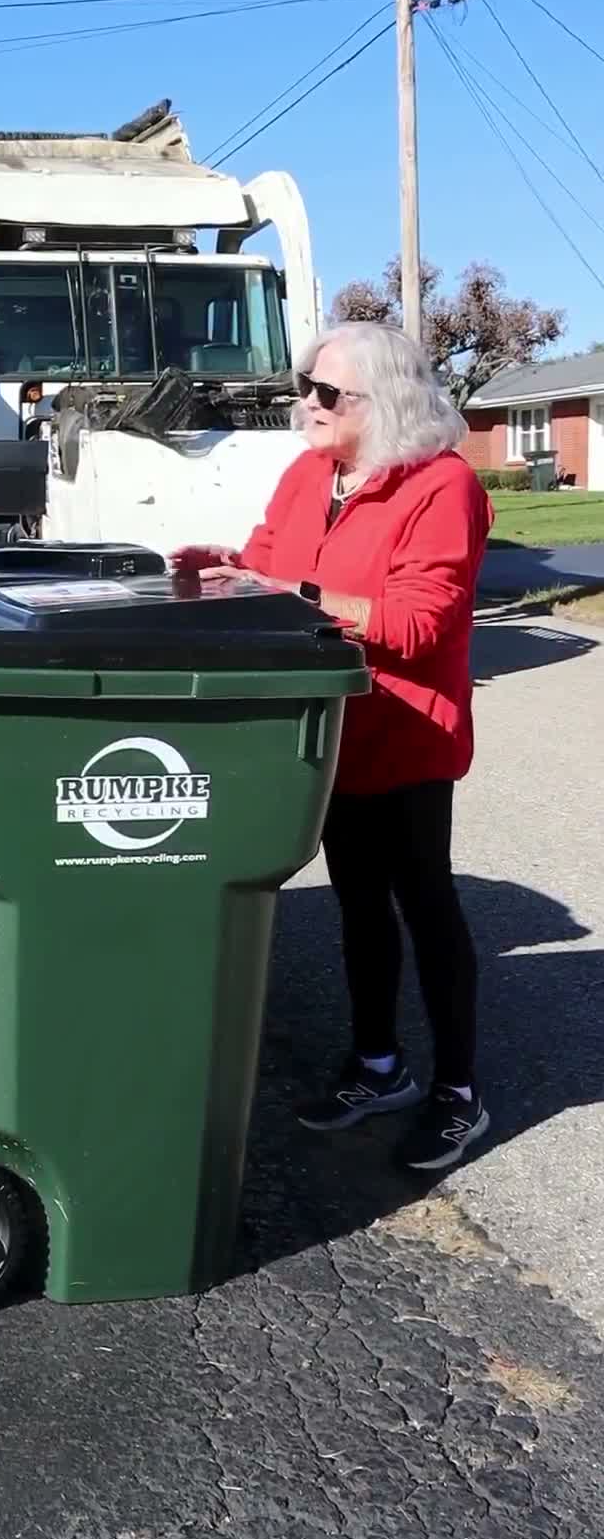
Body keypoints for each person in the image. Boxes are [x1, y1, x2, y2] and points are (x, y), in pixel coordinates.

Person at [172, 320, 494, 1172]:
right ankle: (380, 1064)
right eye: (304, 385)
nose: (303, 404)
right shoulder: (313, 472)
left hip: (409, 735)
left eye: (325, 393)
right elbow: (271, 561)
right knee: (357, 905)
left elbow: (419, 624)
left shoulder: (442, 486)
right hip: (329, 737)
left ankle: (460, 1092)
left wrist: (291, 589)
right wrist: (228, 567)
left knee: (426, 905)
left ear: (380, 402)